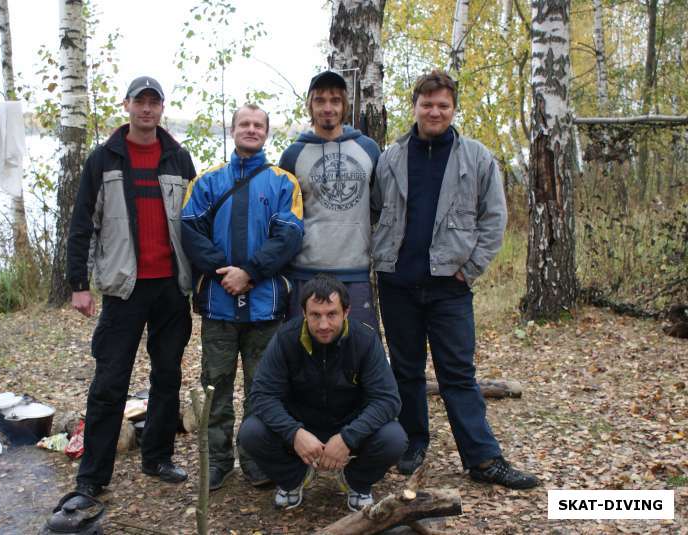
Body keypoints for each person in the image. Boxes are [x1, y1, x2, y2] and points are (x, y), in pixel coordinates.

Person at [371, 70, 539, 489]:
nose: (434, 111)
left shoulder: (477, 158)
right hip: (398, 283)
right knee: (405, 370)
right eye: (427, 104)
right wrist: (381, 257)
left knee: (458, 374)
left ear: (453, 109)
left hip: (450, 286)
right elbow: (375, 211)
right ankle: (413, 442)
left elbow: (494, 218)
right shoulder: (391, 157)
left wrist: (471, 268)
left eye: (443, 105)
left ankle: (483, 459)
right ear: (415, 107)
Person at [67, 76, 196, 497]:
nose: (146, 109)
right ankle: (92, 477)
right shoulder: (104, 159)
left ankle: (157, 457)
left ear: (161, 108)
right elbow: (82, 223)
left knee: (167, 378)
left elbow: (197, 220)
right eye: (139, 101)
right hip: (124, 288)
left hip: (171, 289)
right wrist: (78, 284)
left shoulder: (179, 158)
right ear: (126, 106)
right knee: (110, 381)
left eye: (153, 102)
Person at [181, 104, 304, 491]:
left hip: (266, 305)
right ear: (232, 129)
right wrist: (226, 272)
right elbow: (190, 232)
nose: (251, 130)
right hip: (218, 305)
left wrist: (249, 272)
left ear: (267, 132)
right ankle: (217, 461)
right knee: (215, 386)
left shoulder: (285, 183)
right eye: (244, 124)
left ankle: (255, 458)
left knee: (262, 390)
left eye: (258, 125)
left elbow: (289, 236)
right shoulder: (206, 182)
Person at [238, 275, 407, 511]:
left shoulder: (365, 340)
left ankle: (355, 481)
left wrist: (349, 437)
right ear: (304, 313)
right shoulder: (286, 338)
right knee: (251, 432)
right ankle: (295, 478)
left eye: (331, 314)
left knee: (394, 438)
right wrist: (294, 432)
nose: (323, 324)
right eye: (315, 315)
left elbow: (388, 400)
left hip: (350, 424)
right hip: (301, 424)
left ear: (346, 312)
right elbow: (262, 395)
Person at [278, 71, 381, 329]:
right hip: (306, 270)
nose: (327, 108)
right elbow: (285, 216)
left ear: (344, 105)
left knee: (359, 353)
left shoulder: (368, 150)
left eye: (335, 100)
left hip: (355, 270)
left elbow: (381, 208)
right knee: (304, 357)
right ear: (310, 105)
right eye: (320, 100)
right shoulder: (293, 154)